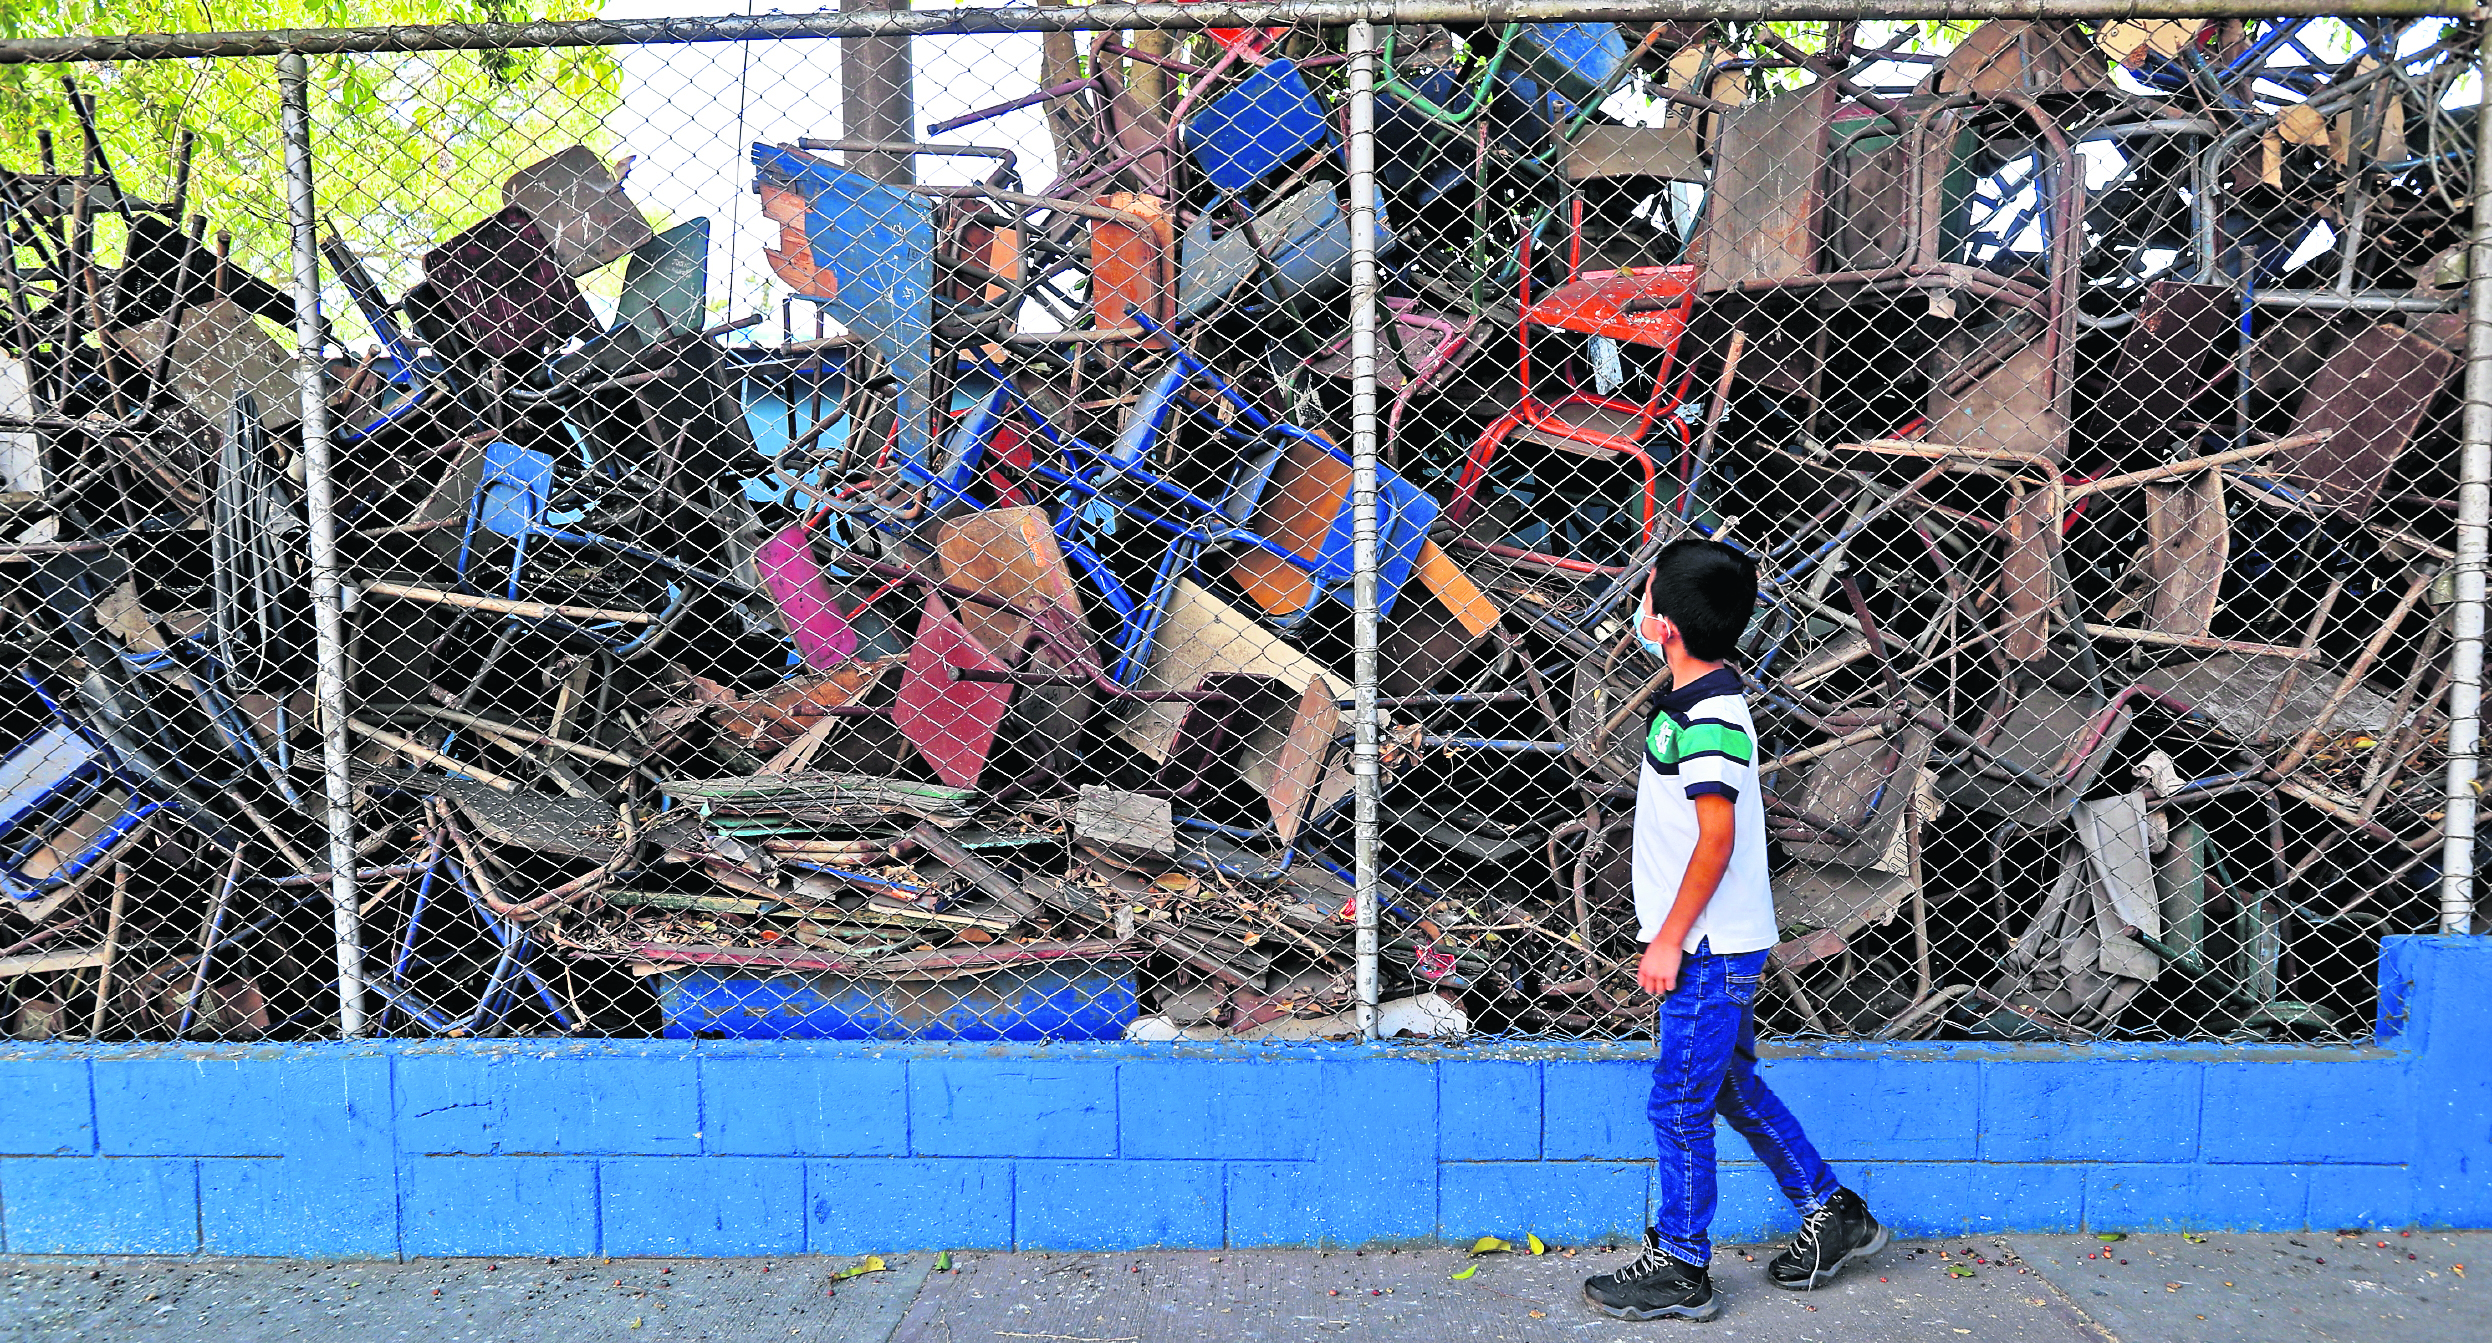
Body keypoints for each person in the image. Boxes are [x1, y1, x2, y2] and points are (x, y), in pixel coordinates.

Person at [1582, 539, 1886, 1322]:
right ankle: (1834, 1209)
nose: (1638, 605)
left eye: (1645, 593)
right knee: (1728, 1085)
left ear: (1667, 626)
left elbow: (1715, 839)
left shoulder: (1712, 717)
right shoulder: (1697, 700)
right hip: (1717, 941)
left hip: (1708, 948)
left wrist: (1667, 937)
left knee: (1678, 1100)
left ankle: (1682, 1263)